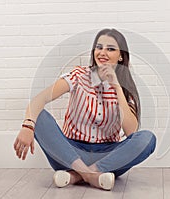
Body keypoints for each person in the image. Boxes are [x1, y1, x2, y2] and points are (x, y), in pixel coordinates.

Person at [13, 28, 157, 191]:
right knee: (40, 116)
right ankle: (92, 176)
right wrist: (28, 125)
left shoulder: (125, 88)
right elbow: (40, 99)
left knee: (148, 139)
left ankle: (78, 175)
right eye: (99, 47)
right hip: (70, 153)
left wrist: (116, 84)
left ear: (121, 55)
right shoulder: (78, 75)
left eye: (110, 49)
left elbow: (131, 132)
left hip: (108, 156)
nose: (102, 52)